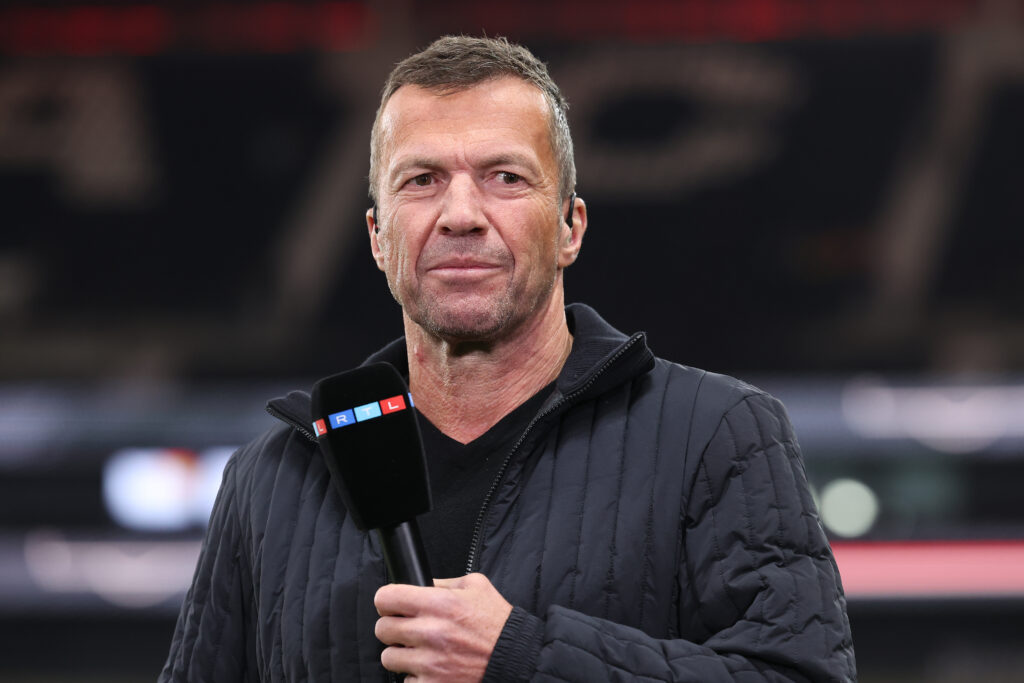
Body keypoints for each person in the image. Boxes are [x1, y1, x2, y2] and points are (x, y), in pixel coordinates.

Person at [160, 36, 856, 682]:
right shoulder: (275, 473)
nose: (461, 213)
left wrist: (526, 658)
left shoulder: (719, 433)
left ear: (568, 227)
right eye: (422, 180)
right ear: (377, 237)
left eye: (504, 177)